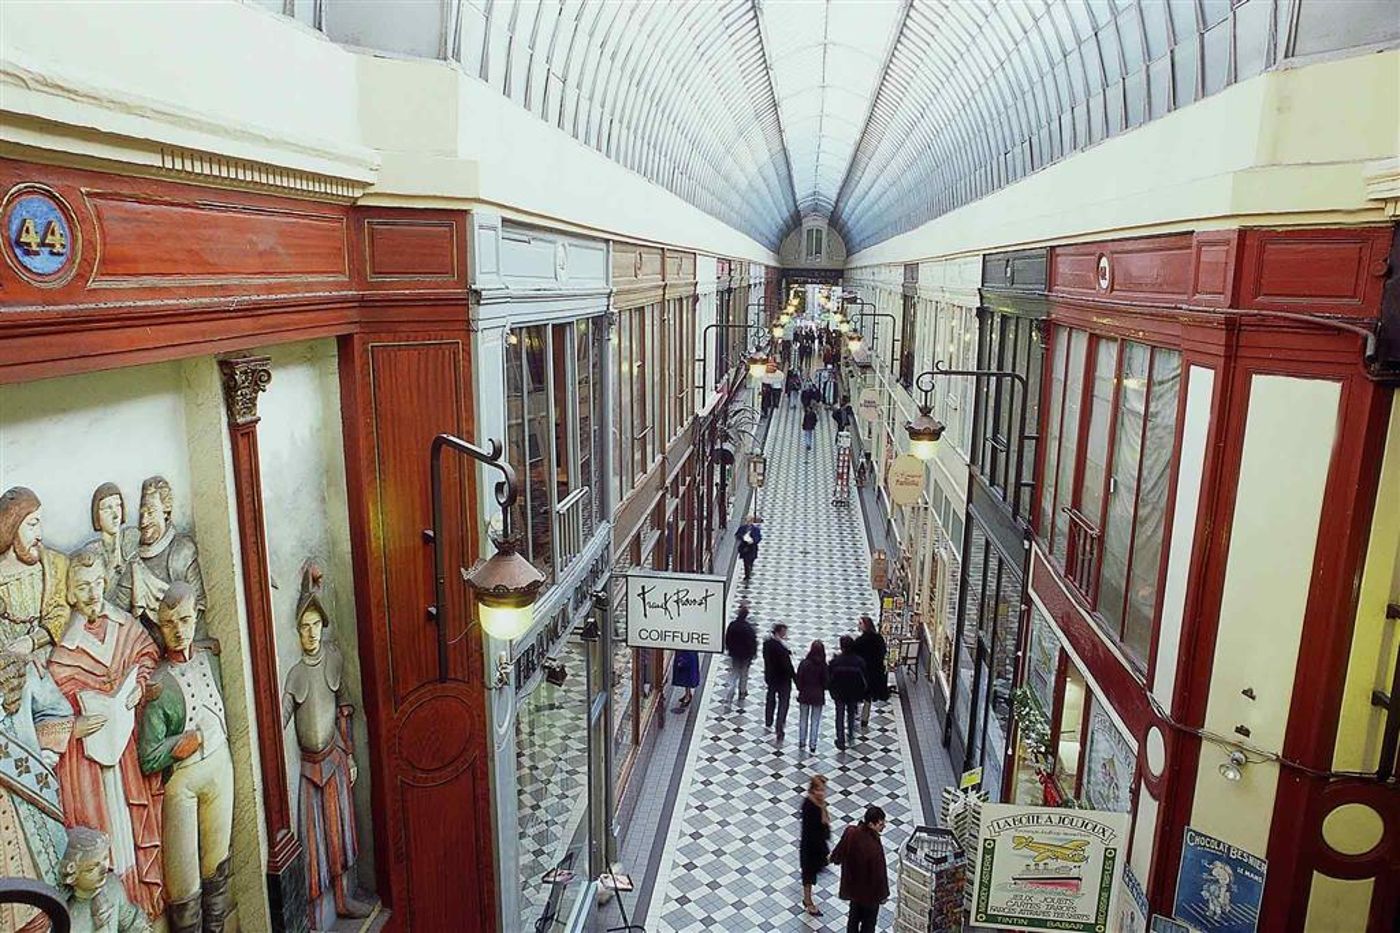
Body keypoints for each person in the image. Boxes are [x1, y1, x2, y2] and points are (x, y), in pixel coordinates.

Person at [49, 546, 165, 919]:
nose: (92, 593)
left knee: (131, 831)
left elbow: (146, 655)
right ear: (71, 593)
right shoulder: (64, 651)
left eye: (97, 583)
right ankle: (108, 909)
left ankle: (139, 908)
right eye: (82, 587)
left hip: (126, 751)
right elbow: (54, 708)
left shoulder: (123, 626)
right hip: (91, 768)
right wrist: (74, 726)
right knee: (106, 835)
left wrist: (139, 685)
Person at [138, 583, 234, 933]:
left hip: (220, 769)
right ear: (159, 627)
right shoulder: (159, 685)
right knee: (184, 884)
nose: (178, 631)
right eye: (168, 623)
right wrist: (179, 744)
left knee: (217, 866)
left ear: (196, 617)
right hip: (182, 782)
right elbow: (148, 756)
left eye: (184, 619)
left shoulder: (212, 658)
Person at [829, 805, 890, 933]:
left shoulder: (851, 832)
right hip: (870, 895)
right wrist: (883, 895)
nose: (884, 826)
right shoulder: (874, 847)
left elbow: (839, 851)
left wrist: (833, 858)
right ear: (871, 824)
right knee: (868, 925)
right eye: (880, 824)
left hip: (853, 890)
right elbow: (879, 874)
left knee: (853, 919)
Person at [798, 774, 831, 917]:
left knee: (811, 874)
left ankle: (808, 898)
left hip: (816, 845)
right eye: (819, 790)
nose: (822, 793)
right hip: (811, 847)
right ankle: (807, 900)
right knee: (809, 874)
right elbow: (815, 829)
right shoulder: (809, 806)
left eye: (823, 790)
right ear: (812, 790)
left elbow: (826, 822)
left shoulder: (819, 804)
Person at [827, 636, 867, 750]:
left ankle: (840, 739)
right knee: (851, 713)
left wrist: (832, 690)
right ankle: (850, 734)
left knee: (839, 715)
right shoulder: (859, 661)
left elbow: (829, 678)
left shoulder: (835, 662)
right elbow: (864, 677)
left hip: (839, 693)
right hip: (853, 692)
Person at [853, 614, 889, 731]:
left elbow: (854, 654)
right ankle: (865, 718)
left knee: (859, 692)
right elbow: (883, 652)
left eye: (860, 624)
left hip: (863, 672)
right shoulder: (878, 638)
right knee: (868, 696)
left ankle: (855, 713)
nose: (858, 626)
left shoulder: (860, 641)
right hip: (874, 672)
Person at [761, 623, 795, 743]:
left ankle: (768, 720)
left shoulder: (767, 644)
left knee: (770, 698)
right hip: (783, 680)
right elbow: (787, 666)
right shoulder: (781, 649)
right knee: (783, 703)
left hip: (771, 677)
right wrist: (795, 678)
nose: (785, 634)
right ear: (779, 632)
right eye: (784, 632)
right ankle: (779, 727)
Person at [722, 605, 758, 709]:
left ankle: (729, 696)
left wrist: (729, 649)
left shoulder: (733, 625)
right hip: (746, 655)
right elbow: (752, 642)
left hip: (735, 654)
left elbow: (727, 638)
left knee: (734, 674)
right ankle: (742, 691)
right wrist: (753, 653)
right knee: (744, 674)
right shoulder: (748, 628)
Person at [795, 640, 828, 755]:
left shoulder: (804, 663)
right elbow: (826, 682)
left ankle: (802, 741)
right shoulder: (823, 666)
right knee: (815, 721)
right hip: (818, 696)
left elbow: (798, 679)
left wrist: (800, 688)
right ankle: (813, 744)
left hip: (804, 694)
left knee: (803, 719)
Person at [735, 516, 762, 582]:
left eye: (749, 521)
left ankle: (749, 569)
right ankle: (747, 575)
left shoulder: (756, 529)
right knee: (746, 562)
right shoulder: (742, 528)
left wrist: (753, 541)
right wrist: (743, 538)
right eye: (747, 521)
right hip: (745, 548)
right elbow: (737, 535)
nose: (748, 523)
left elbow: (759, 538)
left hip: (752, 548)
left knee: (751, 561)